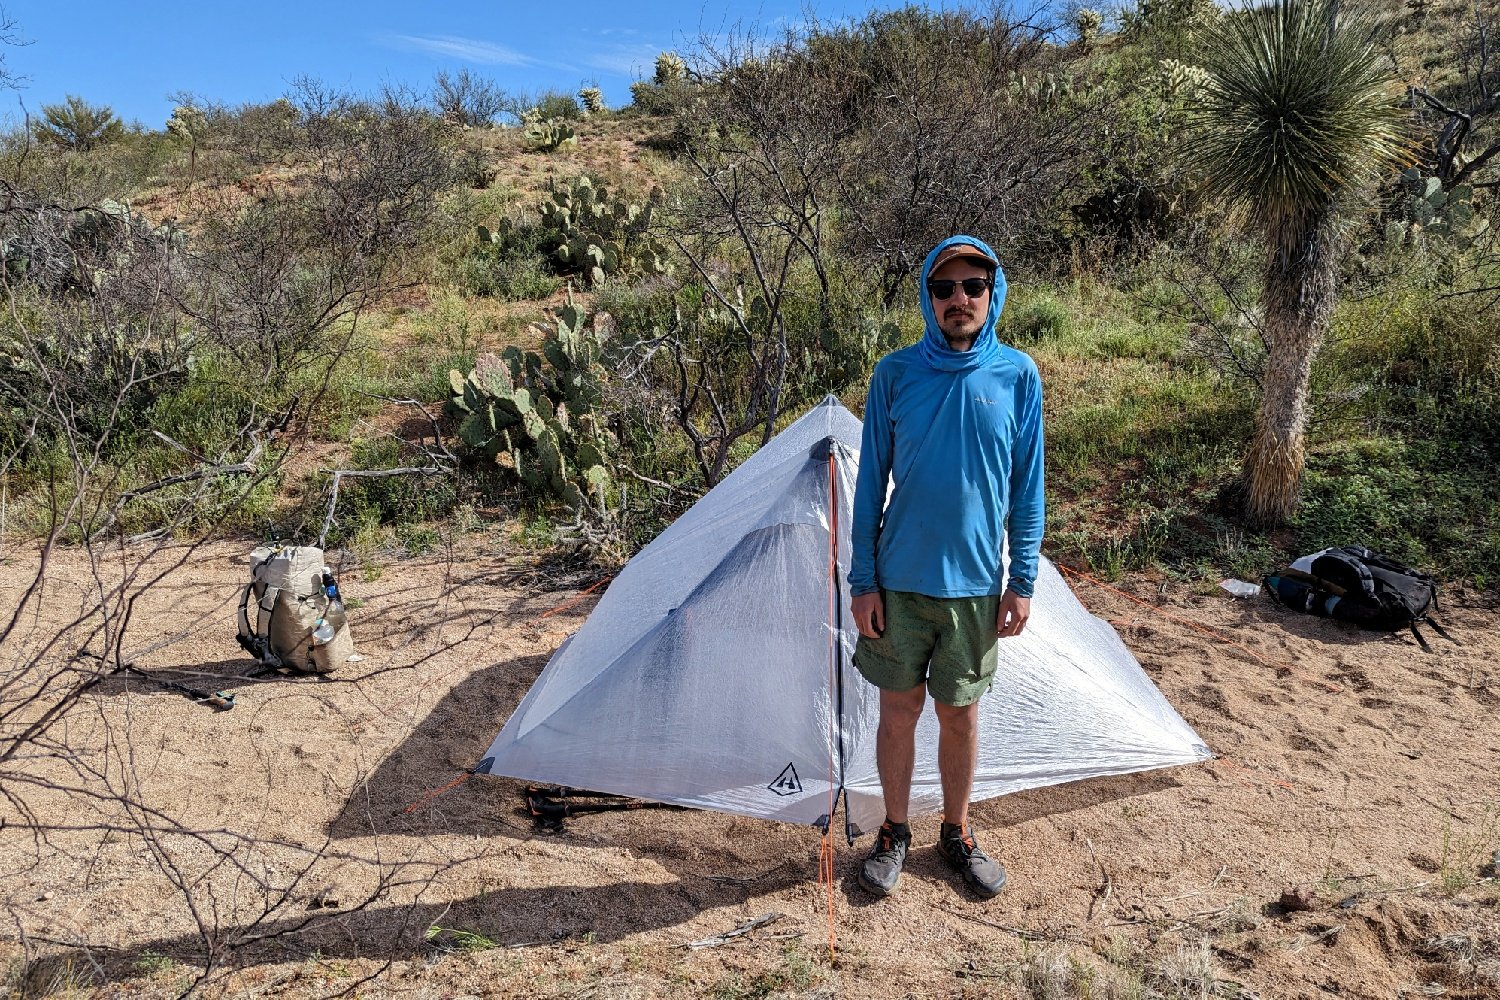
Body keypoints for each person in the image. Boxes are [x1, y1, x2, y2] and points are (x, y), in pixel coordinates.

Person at [848, 235, 1044, 899]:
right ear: (927, 298)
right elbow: (869, 482)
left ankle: (955, 833)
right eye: (944, 288)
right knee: (897, 711)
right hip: (899, 583)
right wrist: (862, 581)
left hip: (974, 588)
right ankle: (894, 832)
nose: (958, 299)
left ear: (994, 295)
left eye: (972, 287)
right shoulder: (895, 374)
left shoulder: (1017, 375)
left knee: (959, 716)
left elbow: (1028, 487)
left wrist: (1022, 580)